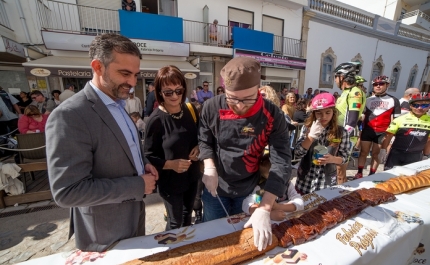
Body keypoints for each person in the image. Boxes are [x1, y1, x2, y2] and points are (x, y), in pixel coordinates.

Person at [46, 33, 158, 252]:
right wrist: (138, 185)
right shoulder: (70, 115)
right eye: (125, 73)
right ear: (98, 66)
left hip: (133, 217)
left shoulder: (118, 102)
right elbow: (68, 191)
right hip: (103, 231)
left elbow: (123, 146)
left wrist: (141, 162)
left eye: (136, 75)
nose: (133, 83)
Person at [199, 57, 291, 251]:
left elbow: (281, 160)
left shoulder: (272, 114)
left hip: (249, 190)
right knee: (213, 242)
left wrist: (265, 207)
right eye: (232, 99)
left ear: (259, 89)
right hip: (216, 188)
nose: (239, 105)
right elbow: (204, 140)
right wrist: (209, 166)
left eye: (247, 98)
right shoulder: (211, 107)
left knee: (244, 245)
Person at [144, 65, 201, 231]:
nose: (175, 96)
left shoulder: (190, 110)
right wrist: (171, 164)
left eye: (179, 90)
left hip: (192, 176)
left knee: (187, 217)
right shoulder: (155, 120)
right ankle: (170, 251)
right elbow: (147, 156)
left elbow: (200, 137)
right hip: (170, 182)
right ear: (160, 93)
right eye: (168, 92)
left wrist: (198, 147)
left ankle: (185, 253)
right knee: (175, 222)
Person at [295, 93, 351, 194]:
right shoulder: (307, 128)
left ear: (333, 113)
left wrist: (332, 159)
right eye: (319, 113)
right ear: (314, 113)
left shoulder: (341, 132)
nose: (323, 116)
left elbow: (345, 157)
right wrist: (310, 137)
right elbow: (298, 153)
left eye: (327, 112)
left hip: (326, 182)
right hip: (305, 181)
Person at [355, 75, 400, 179]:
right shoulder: (368, 99)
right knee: (363, 152)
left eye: (381, 84)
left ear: (387, 85)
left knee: (376, 154)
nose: (378, 86)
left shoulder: (394, 100)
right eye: (375, 84)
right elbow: (362, 115)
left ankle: (371, 175)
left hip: (382, 132)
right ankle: (359, 172)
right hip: (368, 130)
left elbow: (396, 120)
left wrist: (391, 135)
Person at [242, 153, 304, 221]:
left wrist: (278, 206)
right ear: (266, 176)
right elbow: (246, 204)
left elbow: (300, 203)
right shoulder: (260, 189)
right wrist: (269, 214)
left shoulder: (287, 185)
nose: (280, 180)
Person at [333, 62, 365, 184]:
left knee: (340, 171)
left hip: (346, 135)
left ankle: (340, 199)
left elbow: (352, 119)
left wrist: (342, 138)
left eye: (336, 77)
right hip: (339, 133)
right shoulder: (346, 92)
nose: (335, 80)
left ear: (342, 77)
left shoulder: (355, 92)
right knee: (337, 171)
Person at [380, 93, 430, 170]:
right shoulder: (400, 119)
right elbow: (388, 136)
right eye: (416, 105)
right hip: (396, 154)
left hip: (415, 156)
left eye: (424, 105)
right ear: (410, 106)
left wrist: (426, 155)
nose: (420, 108)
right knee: (389, 179)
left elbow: (428, 141)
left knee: (408, 181)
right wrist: (383, 150)